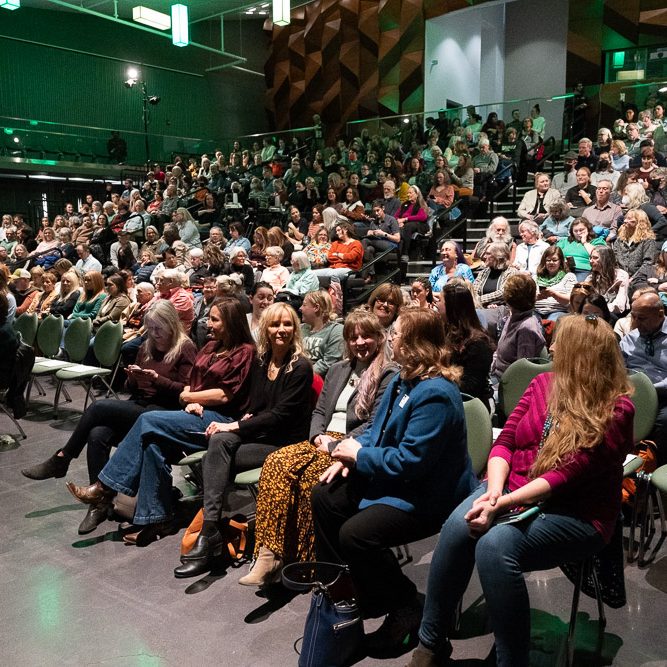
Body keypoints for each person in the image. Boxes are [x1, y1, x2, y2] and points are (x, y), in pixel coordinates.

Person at [410, 314, 634, 667]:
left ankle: (510, 660)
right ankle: (430, 643)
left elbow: (566, 476)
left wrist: (501, 503)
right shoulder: (543, 383)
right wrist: (495, 492)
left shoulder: (616, 408)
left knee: (495, 546)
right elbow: (506, 442)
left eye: (561, 342)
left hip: (575, 511)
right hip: (510, 490)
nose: (554, 347)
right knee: (456, 528)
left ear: (582, 354)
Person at [311, 308, 476, 653]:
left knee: (356, 535)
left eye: (396, 333)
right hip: (397, 478)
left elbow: (410, 462)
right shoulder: (404, 378)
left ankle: (405, 603)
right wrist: (348, 452)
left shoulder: (435, 393)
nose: (390, 337)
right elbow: (376, 430)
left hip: (429, 494)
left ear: (415, 343)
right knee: (325, 495)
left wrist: (360, 457)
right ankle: (349, 590)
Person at [65, 298, 256, 545]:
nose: (209, 324)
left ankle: (104, 487)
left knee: (147, 420)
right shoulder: (209, 347)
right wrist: (193, 398)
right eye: (209, 318)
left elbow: (224, 394)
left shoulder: (244, 351)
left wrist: (190, 396)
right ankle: (156, 519)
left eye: (215, 319)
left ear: (231, 322)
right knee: (152, 444)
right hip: (197, 411)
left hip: (221, 419)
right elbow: (195, 383)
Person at [240, 309, 398, 585]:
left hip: (351, 444)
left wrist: (335, 443)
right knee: (275, 463)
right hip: (321, 439)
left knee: (308, 481)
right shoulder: (338, 370)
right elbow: (319, 411)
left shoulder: (388, 374)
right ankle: (269, 554)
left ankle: (306, 560)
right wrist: (317, 437)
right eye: (353, 337)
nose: (360, 342)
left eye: (366, 336)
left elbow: (376, 422)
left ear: (379, 338)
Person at [22, 301, 197, 530]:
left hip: (165, 413)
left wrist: (157, 380)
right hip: (140, 405)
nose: (154, 334)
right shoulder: (147, 345)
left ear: (172, 325)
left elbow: (187, 391)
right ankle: (99, 504)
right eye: (151, 328)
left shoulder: (185, 348)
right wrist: (134, 378)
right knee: (97, 433)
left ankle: (63, 459)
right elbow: (132, 387)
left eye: (159, 329)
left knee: (97, 408)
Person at [174, 303, 313, 578]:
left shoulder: (301, 368)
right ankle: (212, 531)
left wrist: (236, 424)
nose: (281, 330)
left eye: (287, 324)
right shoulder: (263, 362)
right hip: (262, 436)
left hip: (286, 444)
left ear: (295, 328)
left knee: (217, 456)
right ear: (266, 329)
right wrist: (243, 417)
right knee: (219, 445)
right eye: (275, 324)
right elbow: (259, 405)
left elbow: (280, 415)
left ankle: (210, 536)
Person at [620, 292, 667, 462]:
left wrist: (649, 389)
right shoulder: (630, 339)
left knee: (663, 421)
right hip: (631, 392)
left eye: (642, 318)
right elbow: (618, 369)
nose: (636, 323)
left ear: (660, 315)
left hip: (663, 396)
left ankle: (654, 464)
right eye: (634, 317)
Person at [439, 282, 494, 408]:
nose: (436, 305)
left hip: (469, 406)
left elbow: (471, 387)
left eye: (440, 301)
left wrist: (439, 378)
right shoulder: (445, 333)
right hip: (447, 397)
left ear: (451, 307)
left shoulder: (479, 344)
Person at [492, 274, 546, 378]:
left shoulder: (527, 328)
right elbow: (498, 352)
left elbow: (522, 372)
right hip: (496, 376)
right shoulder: (512, 317)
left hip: (507, 384)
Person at [300, 290, 344, 378]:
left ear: (316, 307)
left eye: (304, 305)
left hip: (320, 381)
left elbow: (328, 362)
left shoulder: (336, 330)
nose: (300, 308)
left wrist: (301, 376)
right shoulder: (300, 328)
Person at [556, 217, 607, 281]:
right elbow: (554, 253)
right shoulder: (565, 241)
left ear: (588, 229)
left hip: (585, 271)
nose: (578, 233)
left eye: (581, 230)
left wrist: (584, 242)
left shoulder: (597, 241)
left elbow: (598, 254)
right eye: (575, 231)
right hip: (563, 269)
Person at [534, 246, 577, 320]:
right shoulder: (536, 278)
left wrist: (554, 295)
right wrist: (537, 297)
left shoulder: (569, 277)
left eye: (554, 260)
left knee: (552, 323)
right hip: (536, 311)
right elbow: (527, 299)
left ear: (560, 261)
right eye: (548, 260)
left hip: (557, 311)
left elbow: (572, 300)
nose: (551, 263)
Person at [585, 246, 630, 315]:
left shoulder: (621, 275)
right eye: (591, 257)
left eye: (595, 258)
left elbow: (619, 305)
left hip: (614, 314)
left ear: (606, 259)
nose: (590, 261)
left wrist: (600, 310)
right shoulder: (591, 277)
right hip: (596, 312)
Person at [473, 242, 518, 309]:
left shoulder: (511, 272)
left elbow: (503, 292)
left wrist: (479, 300)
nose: (484, 256)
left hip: (504, 310)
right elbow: (474, 291)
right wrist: (485, 305)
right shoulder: (483, 272)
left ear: (499, 256)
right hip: (483, 308)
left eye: (488, 254)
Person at [612, 208, 656, 276]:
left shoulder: (648, 241)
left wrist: (633, 278)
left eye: (629, 219)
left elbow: (648, 263)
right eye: (626, 218)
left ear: (639, 222)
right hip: (620, 277)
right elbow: (614, 259)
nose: (625, 221)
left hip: (640, 279)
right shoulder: (620, 239)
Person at [397, 185, 430, 262]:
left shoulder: (421, 203)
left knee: (409, 226)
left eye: (410, 193)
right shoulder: (405, 204)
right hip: (405, 225)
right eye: (408, 193)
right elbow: (396, 216)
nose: (408, 195)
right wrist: (399, 221)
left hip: (420, 225)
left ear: (417, 194)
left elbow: (422, 217)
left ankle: (405, 253)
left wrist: (405, 219)